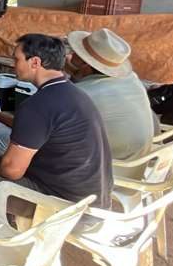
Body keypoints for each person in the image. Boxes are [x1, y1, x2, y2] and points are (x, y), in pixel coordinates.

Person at [0, 34, 113, 214]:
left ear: (35, 62)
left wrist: (1, 172)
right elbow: (37, 128)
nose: (13, 64)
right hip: (93, 199)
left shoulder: (37, 105)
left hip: (65, 207)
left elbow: (12, 171)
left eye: (16, 59)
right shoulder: (75, 93)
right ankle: (3, 216)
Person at [65, 28, 154, 171]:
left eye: (76, 52)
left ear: (85, 64)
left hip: (110, 171)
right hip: (136, 165)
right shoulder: (131, 79)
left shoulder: (82, 95)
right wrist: (76, 72)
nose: (70, 54)